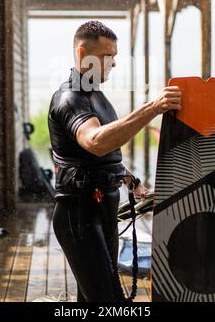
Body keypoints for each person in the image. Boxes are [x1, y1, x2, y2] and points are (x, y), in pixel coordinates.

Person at [48, 20, 182, 302]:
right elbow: (96, 142)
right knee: (110, 302)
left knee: (91, 301)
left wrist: (130, 181)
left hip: (103, 210)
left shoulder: (96, 95)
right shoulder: (69, 97)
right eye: (108, 57)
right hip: (79, 216)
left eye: (115, 57)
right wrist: (154, 107)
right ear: (83, 55)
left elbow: (101, 158)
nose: (115, 64)